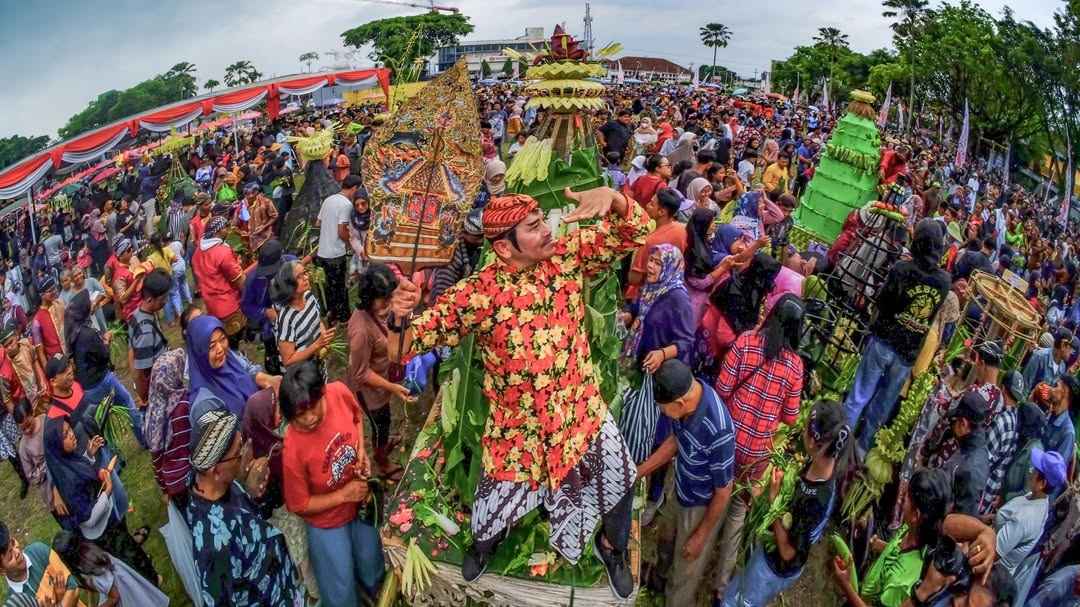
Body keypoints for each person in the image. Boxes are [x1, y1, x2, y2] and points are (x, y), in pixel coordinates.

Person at [386, 187, 649, 598]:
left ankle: (611, 548)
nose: (547, 230)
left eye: (543, 220)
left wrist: (612, 197)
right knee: (491, 512)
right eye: (533, 227)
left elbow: (636, 232)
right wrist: (397, 317)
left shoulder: (565, 257)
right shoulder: (478, 294)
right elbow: (402, 349)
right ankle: (483, 546)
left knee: (621, 480)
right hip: (518, 434)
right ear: (504, 248)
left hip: (581, 415)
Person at [712, 294, 806, 597]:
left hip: (726, 439)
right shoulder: (795, 366)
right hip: (757, 455)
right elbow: (791, 417)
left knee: (714, 499)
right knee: (738, 512)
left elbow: (722, 389)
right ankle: (720, 585)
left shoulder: (745, 342)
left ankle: (695, 552)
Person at [722, 400, 850, 607]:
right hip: (768, 554)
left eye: (806, 427)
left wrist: (773, 502)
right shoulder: (823, 461)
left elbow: (788, 553)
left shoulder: (815, 499)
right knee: (737, 589)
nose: (802, 431)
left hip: (774, 567)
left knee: (743, 601)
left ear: (815, 443)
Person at [281, 360, 384, 606]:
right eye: (299, 415)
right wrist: (342, 496)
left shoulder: (339, 392)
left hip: (360, 502)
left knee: (371, 562)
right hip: (327, 522)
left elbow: (357, 419)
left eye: (313, 407)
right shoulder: (292, 449)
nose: (308, 419)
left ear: (323, 392)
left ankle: (377, 595)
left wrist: (361, 453)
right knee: (340, 586)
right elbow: (299, 504)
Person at [632, 359, 734, 605]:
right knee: (666, 542)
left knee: (686, 564)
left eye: (662, 407)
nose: (661, 411)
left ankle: (675, 599)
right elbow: (675, 441)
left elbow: (723, 491)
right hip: (681, 487)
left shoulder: (718, 430)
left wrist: (701, 535)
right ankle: (659, 579)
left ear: (678, 403)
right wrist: (639, 471)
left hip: (701, 505)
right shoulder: (688, 401)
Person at [844, 219, 950, 453]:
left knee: (859, 395)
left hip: (884, 340)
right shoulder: (944, 282)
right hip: (907, 352)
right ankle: (861, 452)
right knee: (881, 407)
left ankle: (839, 445)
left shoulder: (902, 269)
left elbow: (882, 302)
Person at [186, 408, 305, 606]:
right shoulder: (213, 546)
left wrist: (251, 492)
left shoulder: (217, 484)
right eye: (239, 451)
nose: (246, 452)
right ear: (215, 471)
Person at [43, 415, 157, 583]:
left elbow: (82, 479)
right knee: (131, 561)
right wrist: (107, 492)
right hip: (104, 531)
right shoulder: (67, 482)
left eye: (70, 429)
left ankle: (151, 580)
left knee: (131, 554)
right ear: (57, 446)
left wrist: (89, 455)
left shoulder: (67, 461)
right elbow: (88, 519)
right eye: (66, 435)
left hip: (107, 522)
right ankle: (152, 585)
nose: (72, 434)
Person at [829, 468, 952, 607]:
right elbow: (899, 551)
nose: (900, 500)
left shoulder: (901, 582)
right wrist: (881, 546)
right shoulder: (912, 530)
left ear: (915, 515)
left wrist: (845, 584)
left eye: (906, 498)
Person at [347, 264, 408, 478]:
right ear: (369, 298)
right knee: (379, 425)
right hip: (370, 393)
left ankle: (383, 449)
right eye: (384, 299)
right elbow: (360, 373)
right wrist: (392, 387)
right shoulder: (361, 332)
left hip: (382, 384)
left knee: (385, 420)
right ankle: (382, 464)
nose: (389, 303)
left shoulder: (377, 312)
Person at [63, 291, 145, 446]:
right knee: (128, 403)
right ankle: (144, 438)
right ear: (85, 310)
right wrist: (106, 340)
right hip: (102, 379)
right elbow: (104, 356)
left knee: (103, 423)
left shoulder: (71, 334)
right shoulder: (87, 333)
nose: (93, 304)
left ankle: (116, 460)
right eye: (90, 303)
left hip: (87, 388)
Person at [184, 315, 278, 424]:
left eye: (223, 339)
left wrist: (264, 379)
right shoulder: (204, 405)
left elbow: (247, 369)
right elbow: (225, 439)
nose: (220, 349)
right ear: (198, 352)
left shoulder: (229, 359)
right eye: (211, 346)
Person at [52, 530, 169, 607]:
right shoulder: (91, 550)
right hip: (126, 583)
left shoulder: (94, 575)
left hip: (126, 596)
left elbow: (115, 597)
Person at [993, 448, 1063, 575]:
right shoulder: (1039, 498)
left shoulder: (1026, 517)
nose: (1030, 471)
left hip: (992, 567)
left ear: (1042, 483)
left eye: (1035, 470)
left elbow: (994, 553)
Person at [143, 347, 192, 500]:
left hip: (172, 483)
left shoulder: (152, 413)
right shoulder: (184, 403)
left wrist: (165, 489)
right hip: (192, 475)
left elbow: (156, 458)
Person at [271, 260, 333, 368]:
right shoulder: (286, 320)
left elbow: (317, 321)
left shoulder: (309, 296)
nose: (306, 278)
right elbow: (288, 361)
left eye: (304, 273)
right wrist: (317, 345)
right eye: (299, 277)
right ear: (288, 286)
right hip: (301, 376)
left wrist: (324, 339)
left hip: (318, 365)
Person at [315, 175, 360, 326]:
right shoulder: (346, 205)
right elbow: (342, 231)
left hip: (322, 252)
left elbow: (318, 222)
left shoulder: (329, 199)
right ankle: (344, 318)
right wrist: (350, 244)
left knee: (330, 285)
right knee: (340, 287)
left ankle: (331, 314)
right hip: (335, 254)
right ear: (354, 188)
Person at [0, 521, 80, 605]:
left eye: (13, 543)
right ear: (2, 570)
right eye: (10, 557)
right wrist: (61, 600)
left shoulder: (38, 551)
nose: (17, 552)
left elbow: (74, 589)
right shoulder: (16, 603)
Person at [627, 188, 687, 298]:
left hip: (646, 294)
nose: (647, 205)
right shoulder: (682, 230)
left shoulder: (650, 241)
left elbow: (634, 278)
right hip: (669, 291)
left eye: (651, 204)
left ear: (662, 212)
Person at [940, 390, 992, 516]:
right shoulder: (977, 448)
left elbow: (961, 519)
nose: (952, 425)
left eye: (955, 421)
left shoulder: (969, 467)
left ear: (963, 423)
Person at [980, 370, 1024, 514]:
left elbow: (984, 460)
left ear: (1003, 388)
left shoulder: (1001, 421)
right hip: (991, 493)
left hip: (979, 491)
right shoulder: (1017, 421)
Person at [127, 269, 170, 403]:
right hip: (158, 390)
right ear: (150, 299)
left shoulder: (137, 314)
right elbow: (140, 373)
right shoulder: (145, 332)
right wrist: (145, 398)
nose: (166, 302)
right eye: (163, 299)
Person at [1002, 403, 1047, 502]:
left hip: (1010, 503)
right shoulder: (1025, 442)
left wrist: (1005, 498)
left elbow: (1027, 491)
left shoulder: (1035, 453)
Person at [14, 401, 51, 509]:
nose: (27, 430)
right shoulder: (23, 448)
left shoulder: (46, 420)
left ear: (32, 413)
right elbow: (31, 476)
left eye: (29, 425)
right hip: (49, 487)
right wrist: (46, 466)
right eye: (23, 429)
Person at [30, 276, 65, 368]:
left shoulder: (60, 303)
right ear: (42, 295)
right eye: (50, 291)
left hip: (71, 351)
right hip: (58, 361)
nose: (54, 292)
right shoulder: (37, 320)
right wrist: (48, 371)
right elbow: (40, 351)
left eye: (54, 289)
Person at [243, 181, 278, 253]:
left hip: (265, 236)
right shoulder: (244, 204)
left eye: (250, 194)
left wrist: (264, 226)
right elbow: (246, 219)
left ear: (256, 193)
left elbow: (274, 216)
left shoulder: (266, 202)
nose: (248, 196)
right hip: (252, 237)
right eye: (246, 194)